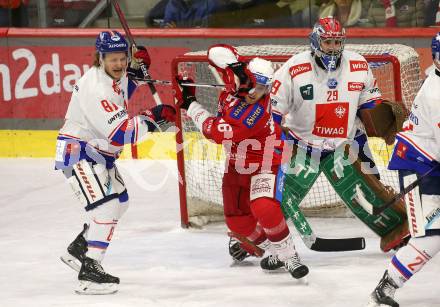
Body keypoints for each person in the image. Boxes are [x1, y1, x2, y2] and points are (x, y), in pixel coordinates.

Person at [265, 16, 409, 268]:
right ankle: (256, 242)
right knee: (279, 199)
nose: (332, 47)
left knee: (369, 193)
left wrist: (381, 114)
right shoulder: (293, 69)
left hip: (343, 146)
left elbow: (369, 104)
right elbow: (274, 113)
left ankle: (398, 233)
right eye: (327, 41)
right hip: (302, 146)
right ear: (315, 41)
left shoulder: (358, 65)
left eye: (336, 42)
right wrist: (275, 146)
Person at [55, 30, 176, 294]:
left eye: (123, 58)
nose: (119, 64)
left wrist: (136, 71)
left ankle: (80, 250)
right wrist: (153, 119)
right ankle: (89, 273)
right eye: (113, 59)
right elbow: (120, 133)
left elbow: (123, 87)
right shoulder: (95, 88)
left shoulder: (111, 77)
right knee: (107, 207)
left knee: (121, 201)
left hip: (98, 153)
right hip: (79, 152)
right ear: (100, 58)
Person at [174, 44, 309, 279]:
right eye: (255, 84)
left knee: (263, 206)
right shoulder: (233, 87)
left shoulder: (254, 112)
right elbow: (215, 52)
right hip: (237, 164)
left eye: (264, 87)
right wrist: (235, 66)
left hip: (267, 159)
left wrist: (190, 104)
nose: (258, 92)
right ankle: (272, 249)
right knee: (237, 223)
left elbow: (215, 132)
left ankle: (289, 256)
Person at [367, 32, 440, 307]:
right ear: (435, 56)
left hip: (431, 163)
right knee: (433, 236)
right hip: (419, 168)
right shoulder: (436, 95)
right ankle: (387, 286)